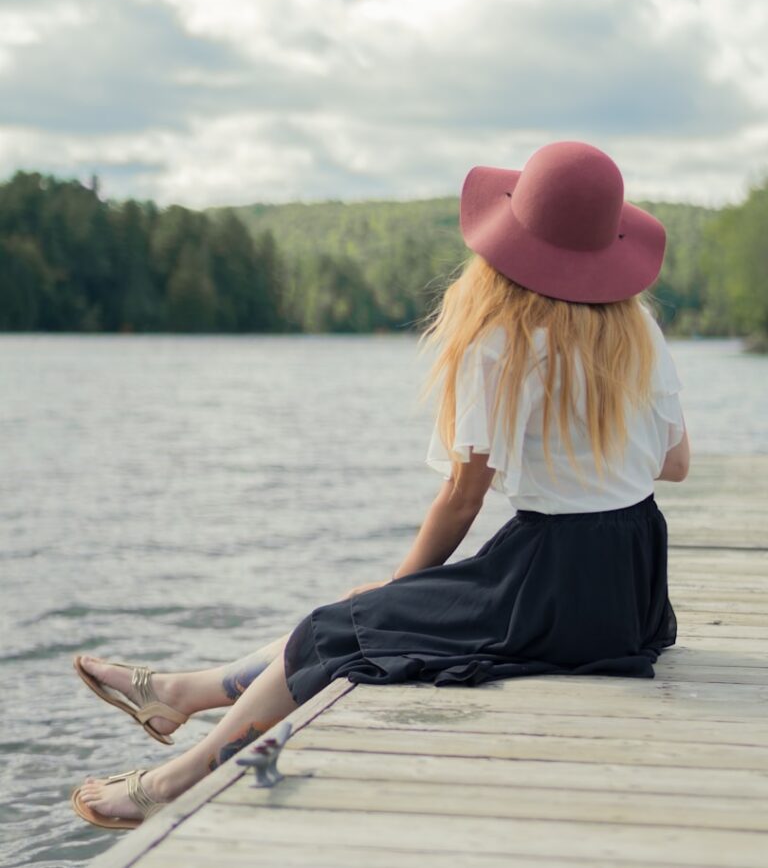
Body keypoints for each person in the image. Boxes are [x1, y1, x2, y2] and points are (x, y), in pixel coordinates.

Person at [71, 139, 689, 829]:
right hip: (633, 589)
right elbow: (675, 464)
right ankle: (181, 693)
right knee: (357, 622)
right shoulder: (642, 334)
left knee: (344, 626)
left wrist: (398, 584)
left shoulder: (502, 344)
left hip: (550, 585)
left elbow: (462, 496)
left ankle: (178, 779)